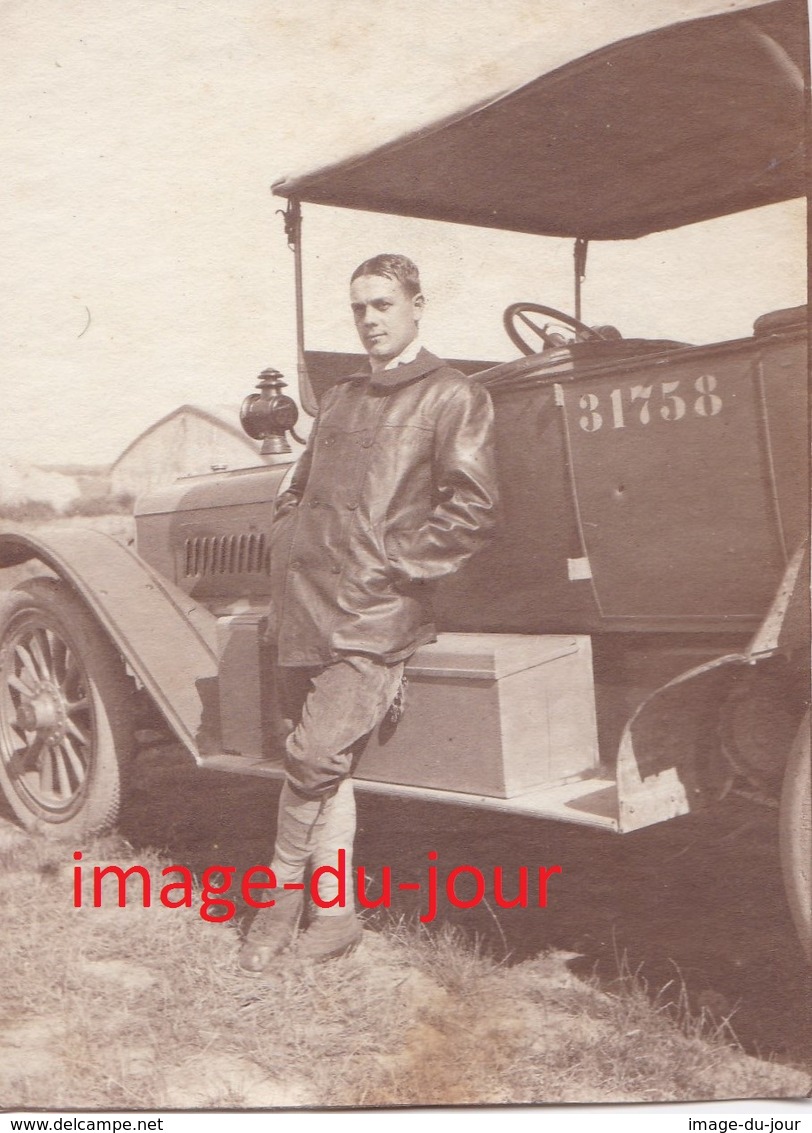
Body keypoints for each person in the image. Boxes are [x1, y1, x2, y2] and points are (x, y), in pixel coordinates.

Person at [239, 253, 499, 969]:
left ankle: (279, 900)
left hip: (373, 612)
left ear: (418, 304)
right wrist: (291, 545)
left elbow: (473, 512)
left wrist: (388, 567)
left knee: (314, 756)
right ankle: (336, 917)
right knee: (326, 769)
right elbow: (295, 488)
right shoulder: (341, 395)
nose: (369, 320)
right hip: (306, 607)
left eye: (383, 304)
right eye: (359, 307)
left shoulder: (453, 396)